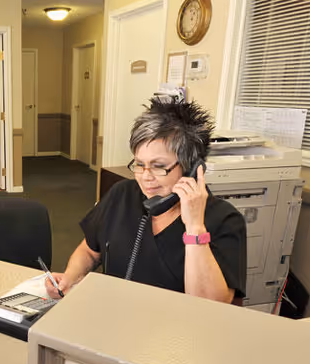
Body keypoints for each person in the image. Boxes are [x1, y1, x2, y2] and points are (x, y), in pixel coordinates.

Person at [45, 98, 246, 303]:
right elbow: (89, 251)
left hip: (177, 332)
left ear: (191, 168)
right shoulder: (122, 194)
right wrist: (69, 278)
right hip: (115, 319)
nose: (145, 176)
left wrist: (194, 228)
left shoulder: (223, 218)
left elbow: (212, 306)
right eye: (140, 164)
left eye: (159, 166)